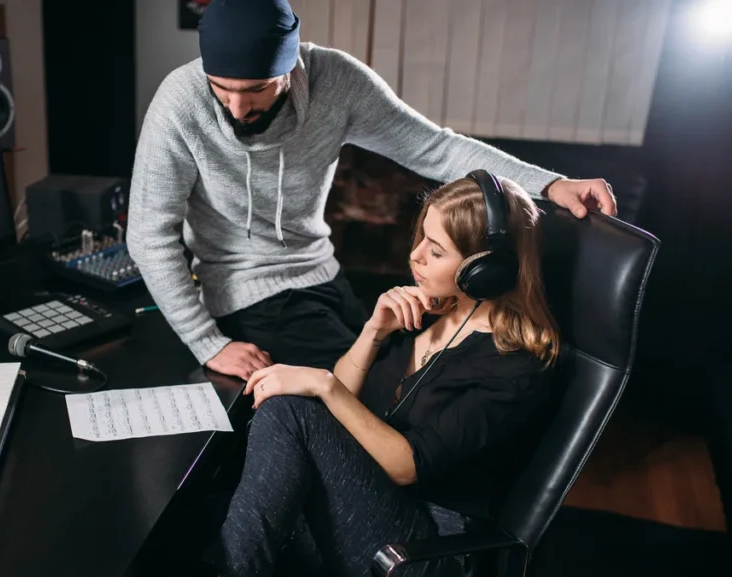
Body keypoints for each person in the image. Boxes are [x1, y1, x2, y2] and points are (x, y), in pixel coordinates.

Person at [163, 172, 559, 577]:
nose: (415, 255)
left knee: (289, 409)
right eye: (421, 238)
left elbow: (406, 465)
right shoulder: (430, 314)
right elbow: (345, 407)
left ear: (486, 270)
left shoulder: (515, 363)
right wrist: (373, 333)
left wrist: (322, 385)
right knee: (191, 517)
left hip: (418, 561)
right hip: (367, 521)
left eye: (436, 250)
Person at [126, 0, 613, 381]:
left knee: (399, 372)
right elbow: (149, 235)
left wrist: (552, 184)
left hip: (321, 271)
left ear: (291, 66)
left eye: (256, 89)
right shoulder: (180, 102)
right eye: (221, 88)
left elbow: (435, 148)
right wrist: (208, 343)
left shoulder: (336, 81)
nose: (236, 108)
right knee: (371, 395)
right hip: (243, 291)